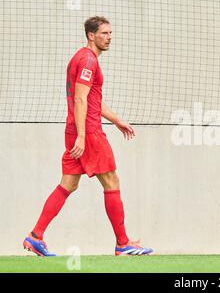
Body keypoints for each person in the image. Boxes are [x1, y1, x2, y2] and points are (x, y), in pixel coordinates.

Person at [22, 16, 153, 256]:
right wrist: (83, 136)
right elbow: (81, 99)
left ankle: (35, 236)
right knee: (111, 181)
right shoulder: (88, 60)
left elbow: (92, 99)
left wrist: (117, 120)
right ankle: (123, 243)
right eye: (104, 33)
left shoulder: (82, 58)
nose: (109, 38)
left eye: (111, 33)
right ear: (91, 36)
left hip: (75, 129)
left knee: (68, 184)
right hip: (88, 132)